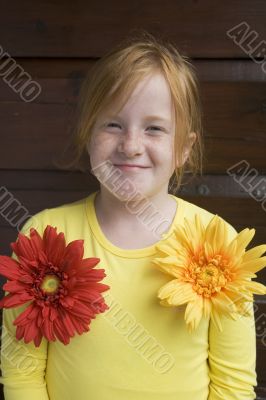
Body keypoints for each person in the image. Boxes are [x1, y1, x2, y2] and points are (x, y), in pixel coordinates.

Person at [0, 30, 258, 400]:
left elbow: (233, 383)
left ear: (184, 149)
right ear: (88, 134)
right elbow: (22, 370)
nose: (131, 145)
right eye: (113, 124)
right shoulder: (44, 235)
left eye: (154, 128)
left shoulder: (220, 244)